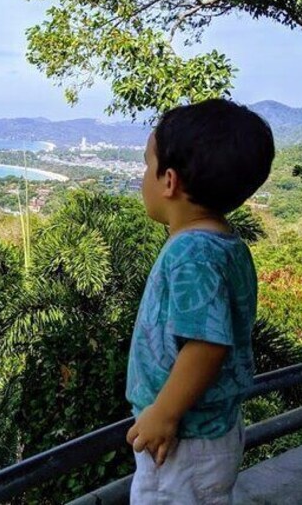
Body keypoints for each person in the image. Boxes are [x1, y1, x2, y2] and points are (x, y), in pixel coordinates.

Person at [125, 99, 275, 504]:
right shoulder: (225, 241)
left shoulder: (193, 252)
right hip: (207, 431)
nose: (142, 176)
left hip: (184, 439)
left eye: (146, 164)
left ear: (168, 181)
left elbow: (207, 344)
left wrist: (164, 413)